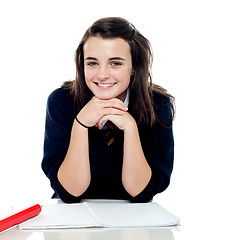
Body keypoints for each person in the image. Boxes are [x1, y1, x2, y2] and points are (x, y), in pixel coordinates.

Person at [41, 17, 175, 203]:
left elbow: (141, 193)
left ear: (134, 66)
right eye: (92, 63)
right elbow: (70, 193)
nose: (102, 75)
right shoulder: (61, 101)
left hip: (136, 220)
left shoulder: (158, 105)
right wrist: (80, 125)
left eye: (116, 63)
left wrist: (130, 127)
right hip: (74, 216)